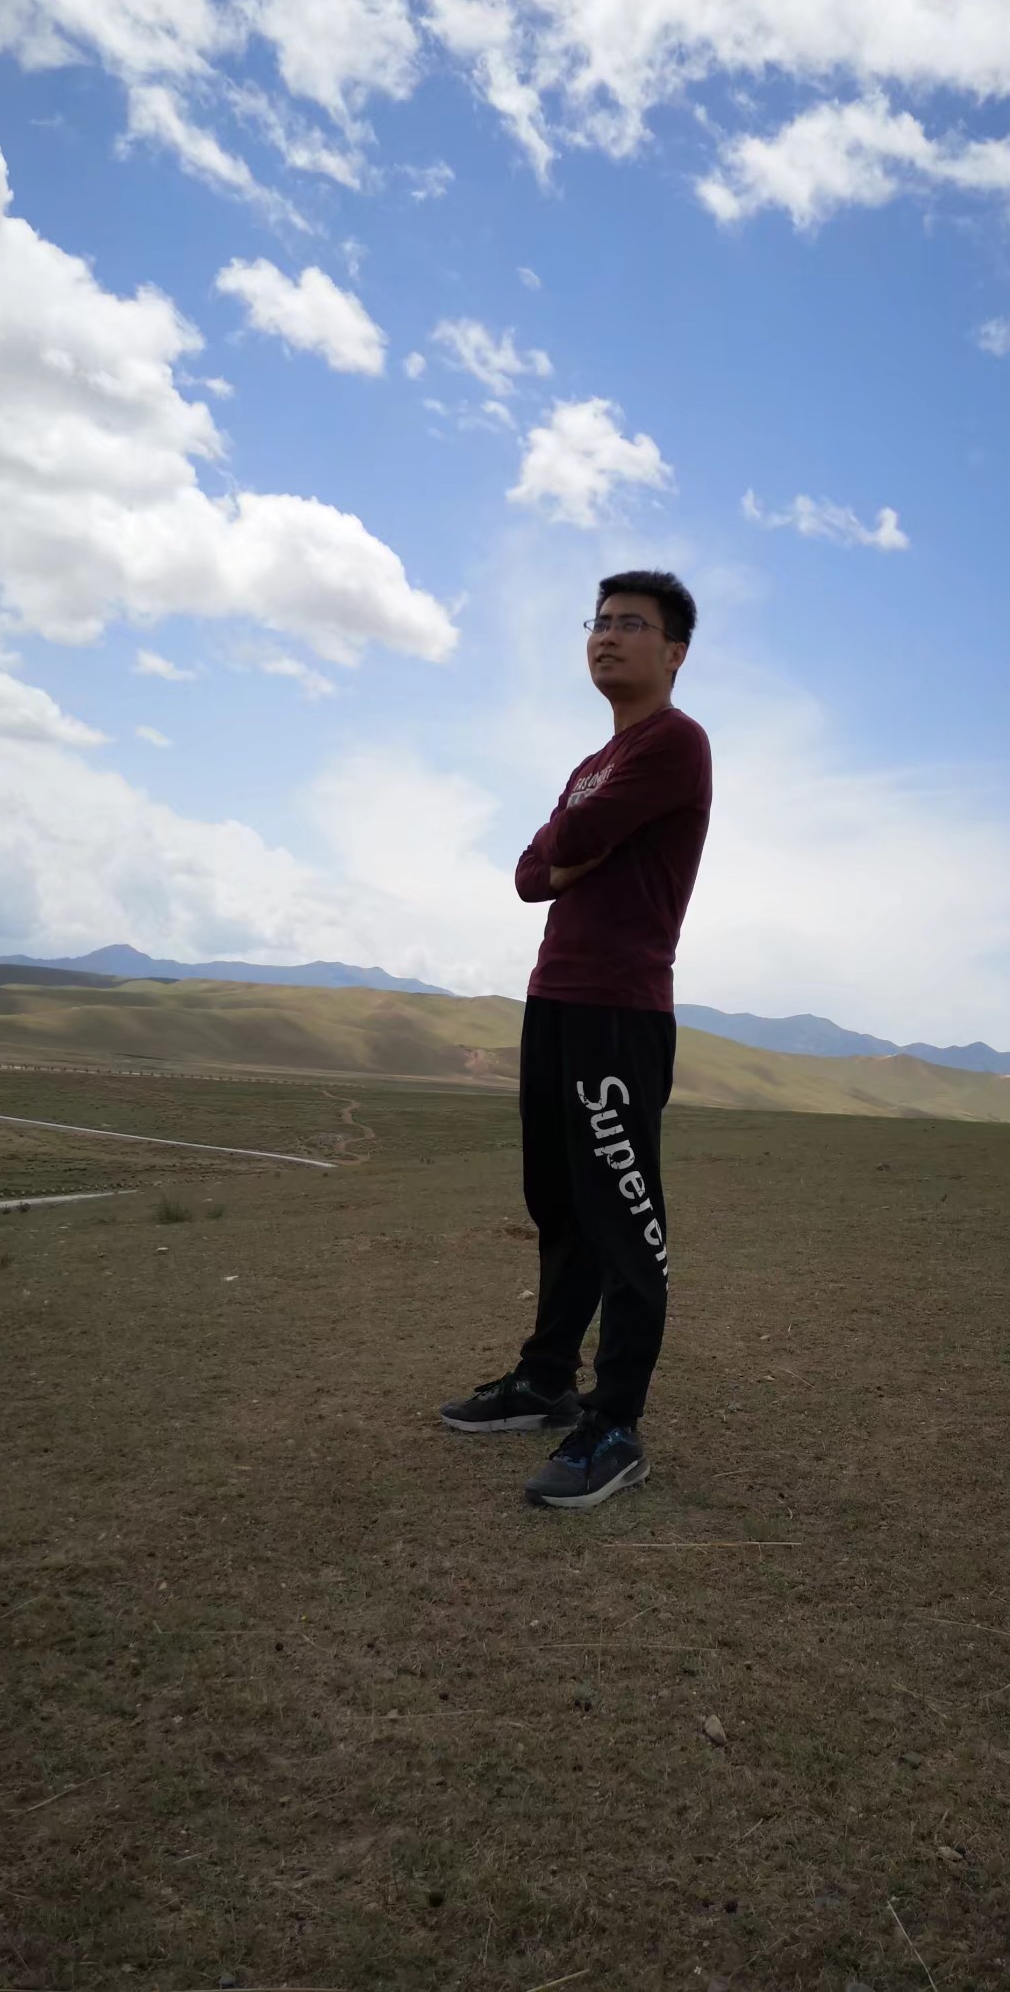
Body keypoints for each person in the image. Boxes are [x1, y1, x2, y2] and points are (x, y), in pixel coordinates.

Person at [440, 570, 712, 1511]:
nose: (607, 636)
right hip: (552, 998)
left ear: (674, 651)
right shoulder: (594, 761)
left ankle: (616, 1425)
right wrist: (569, 847)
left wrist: (570, 843)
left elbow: (575, 836)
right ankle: (546, 1378)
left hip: (619, 1010)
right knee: (558, 1205)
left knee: (623, 1217)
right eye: (598, 621)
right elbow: (529, 874)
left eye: (631, 623)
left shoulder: (676, 741)